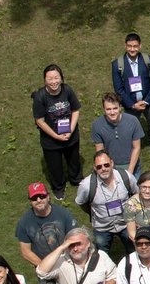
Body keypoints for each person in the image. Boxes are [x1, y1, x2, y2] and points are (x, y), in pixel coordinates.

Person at [35, 227, 118, 284]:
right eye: (71, 245)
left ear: (88, 243)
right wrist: (61, 247)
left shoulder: (101, 257)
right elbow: (41, 272)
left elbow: (113, 276)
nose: (75, 249)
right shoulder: (62, 262)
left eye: (78, 244)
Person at [31, 64, 83, 201]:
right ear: (44, 80)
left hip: (70, 135)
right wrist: (55, 136)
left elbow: (75, 110)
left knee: (74, 160)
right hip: (51, 140)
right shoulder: (40, 97)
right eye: (50, 79)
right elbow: (40, 121)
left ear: (61, 78)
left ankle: (76, 179)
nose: (54, 81)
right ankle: (58, 188)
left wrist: (71, 130)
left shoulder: (67, 90)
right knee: (55, 166)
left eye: (56, 78)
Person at [75, 150, 138, 252]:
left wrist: (135, 214)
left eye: (106, 165)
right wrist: (92, 213)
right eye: (99, 167)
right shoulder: (86, 185)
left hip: (126, 223)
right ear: (94, 168)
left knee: (133, 251)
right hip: (102, 227)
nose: (103, 169)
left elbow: (136, 194)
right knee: (102, 255)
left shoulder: (125, 177)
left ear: (112, 163)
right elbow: (81, 202)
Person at [16, 181, 79, 267]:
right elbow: (26, 252)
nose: (38, 200)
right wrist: (45, 267)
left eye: (42, 196)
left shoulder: (63, 213)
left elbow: (74, 238)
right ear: (30, 202)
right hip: (44, 267)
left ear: (48, 197)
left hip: (68, 262)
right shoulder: (24, 222)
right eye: (34, 198)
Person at [91, 93, 144, 174]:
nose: (112, 112)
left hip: (132, 165)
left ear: (120, 107)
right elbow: (100, 152)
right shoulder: (97, 125)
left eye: (115, 108)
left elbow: (136, 147)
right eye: (108, 109)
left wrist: (130, 171)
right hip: (111, 167)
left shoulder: (133, 121)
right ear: (103, 109)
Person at [111, 32, 150, 119]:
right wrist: (132, 105)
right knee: (131, 129)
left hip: (149, 102)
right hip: (130, 105)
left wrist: (146, 101)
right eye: (129, 46)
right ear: (125, 46)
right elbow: (118, 89)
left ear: (140, 46)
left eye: (135, 46)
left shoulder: (147, 60)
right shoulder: (117, 64)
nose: (132, 49)